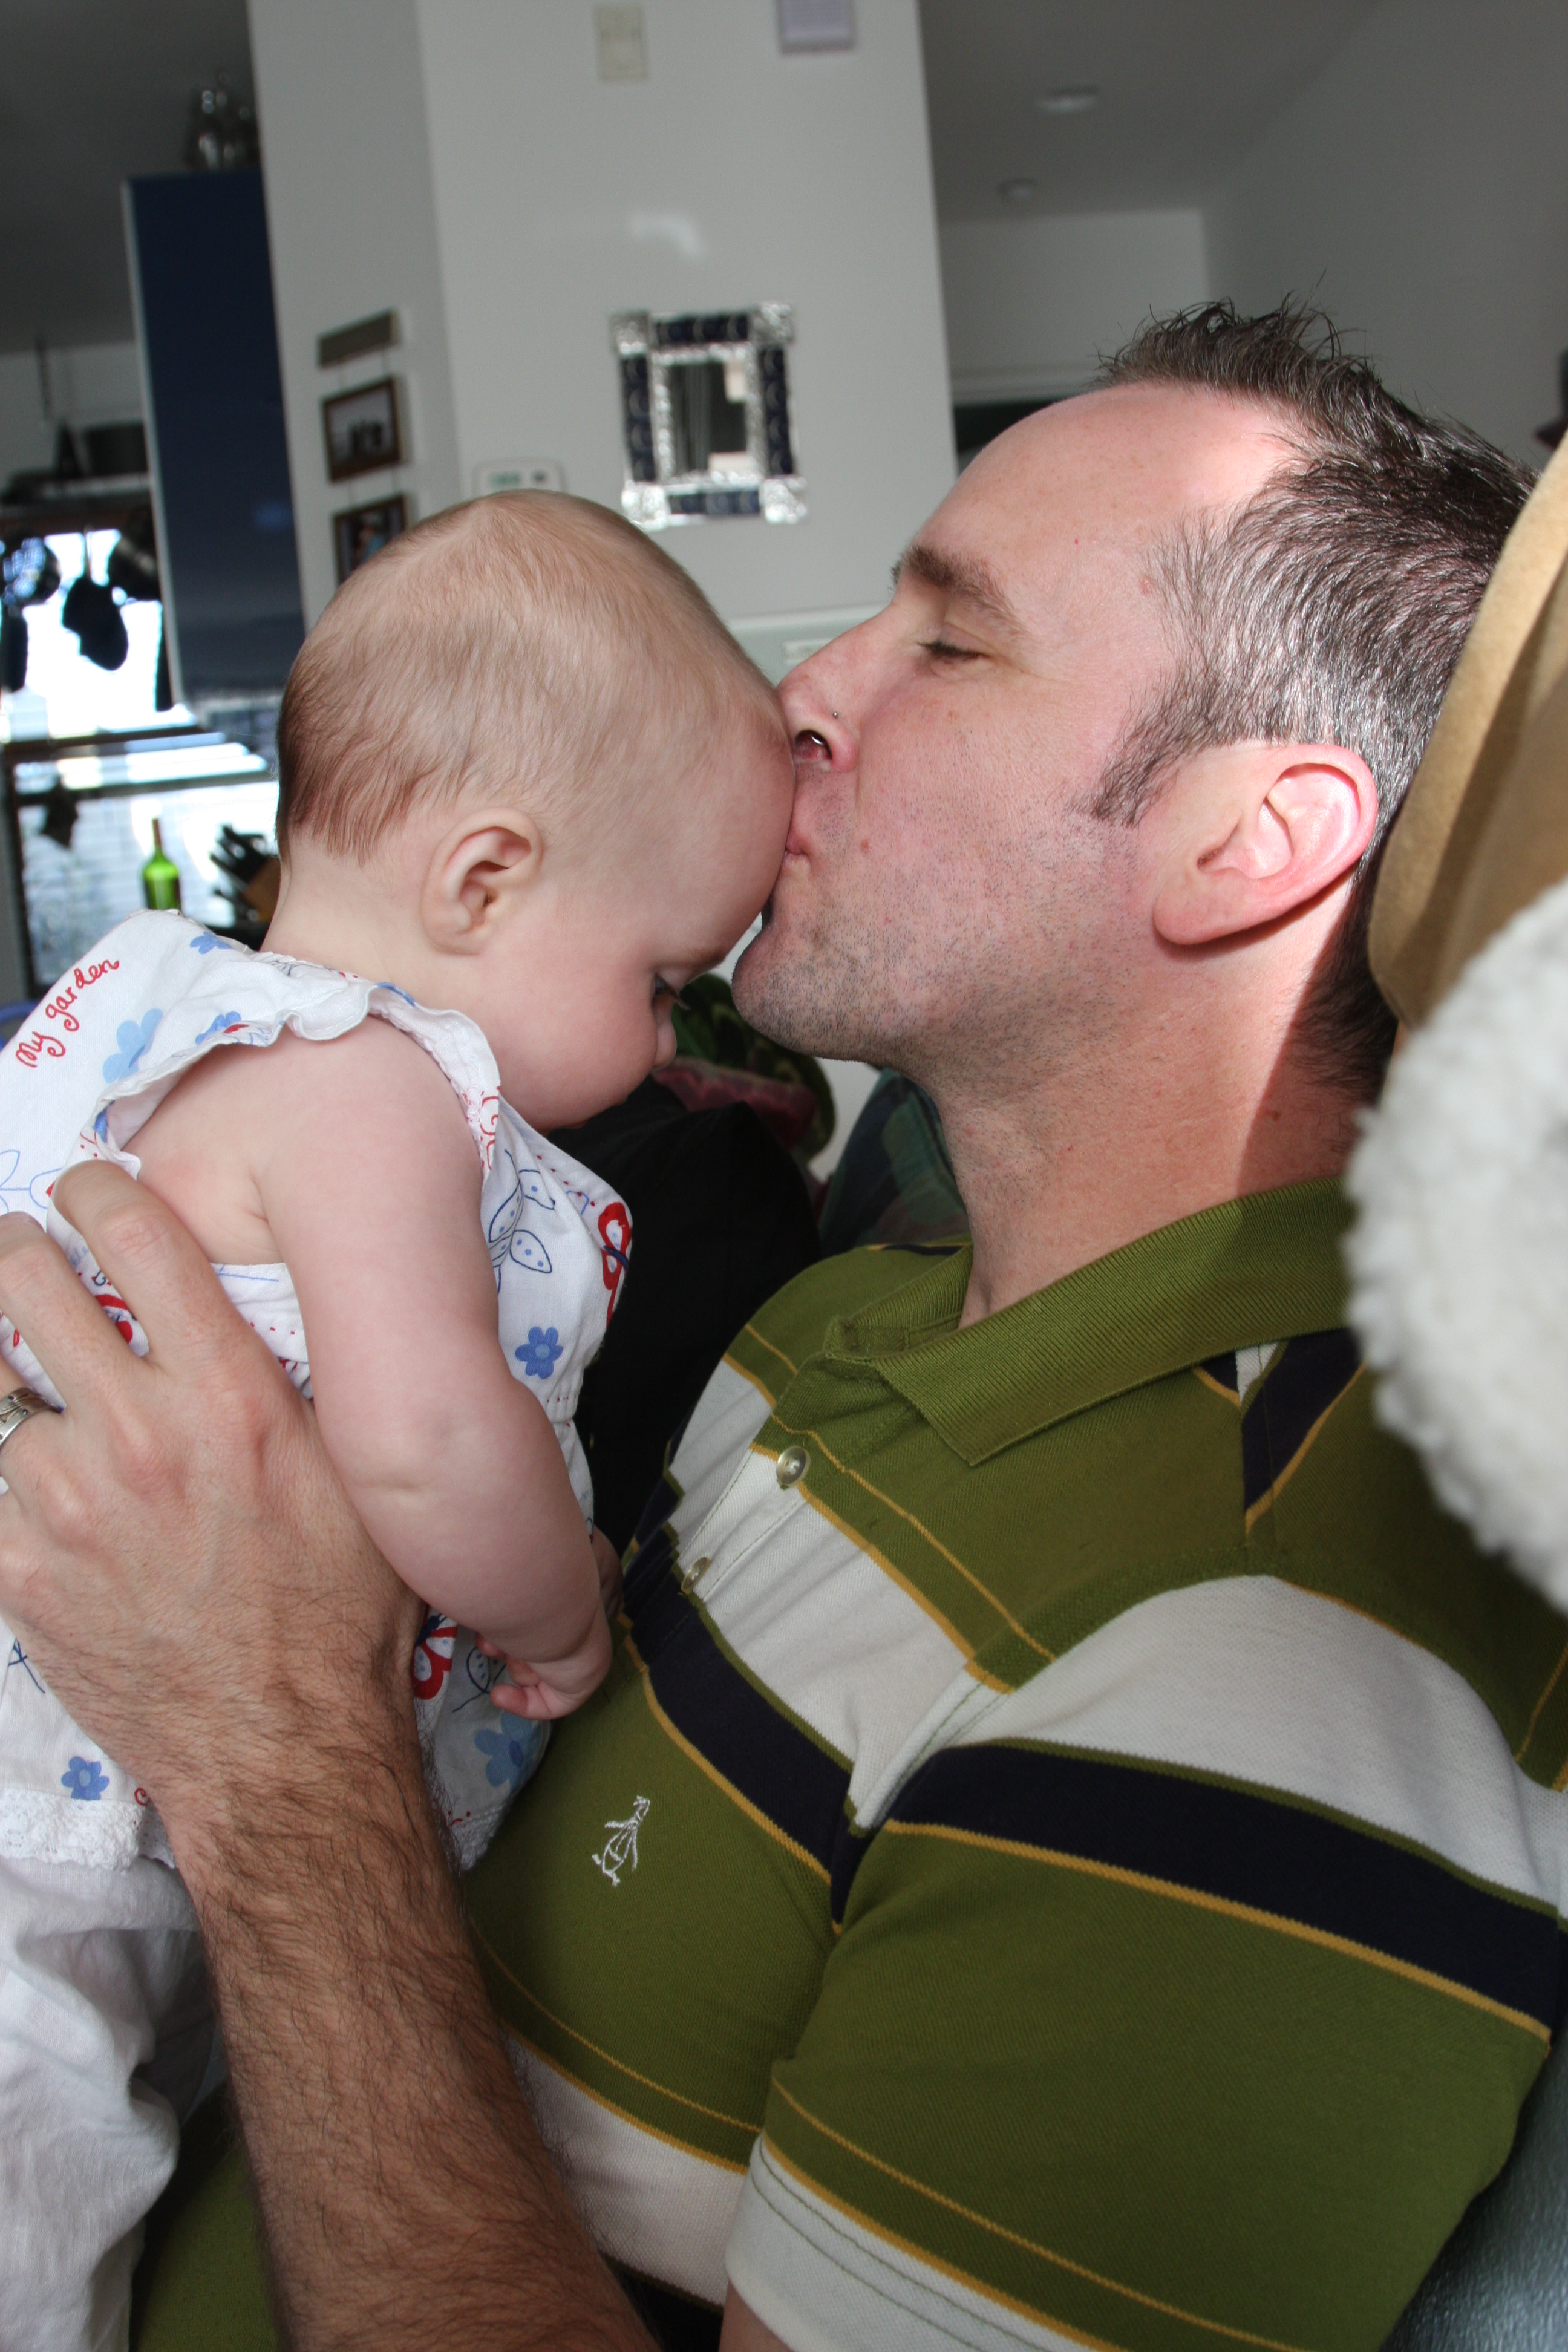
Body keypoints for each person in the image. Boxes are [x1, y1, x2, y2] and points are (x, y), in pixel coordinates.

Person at [0, 303, 1562, 2352]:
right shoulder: (829, 1326)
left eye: (949, 639)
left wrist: (272, 1747)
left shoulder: (1281, 1653)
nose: (807, 695)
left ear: (1244, 842)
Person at [0, 491, 792, 2352]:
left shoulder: (154, 992)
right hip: (61, 1795)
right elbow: (425, 1437)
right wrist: (559, 1604)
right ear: (485, 881)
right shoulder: (373, 1081)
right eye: (661, 980)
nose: (668, 1038)